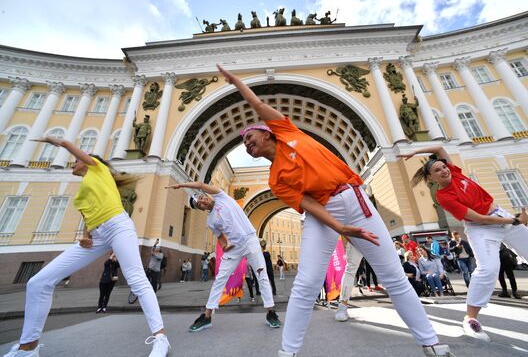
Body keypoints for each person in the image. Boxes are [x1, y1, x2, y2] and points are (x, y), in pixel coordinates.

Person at [217, 64, 453, 357]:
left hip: (356, 201)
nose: (246, 142)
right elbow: (309, 204)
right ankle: (287, 352)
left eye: (249, 136)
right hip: (324, 215)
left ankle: (430, 342)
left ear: (267, 134)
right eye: (243, 143)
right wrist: (339, 228)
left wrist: (236, 81)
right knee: (306, 283)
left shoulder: (287, 131)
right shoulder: (275, 180)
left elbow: (258, 103)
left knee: (392, 275)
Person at [4, 136, 170, 357]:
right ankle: (28, 348)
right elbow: (87, 216)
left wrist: (56, 141)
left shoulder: (97, 169)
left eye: (76, 160)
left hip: (119, 226)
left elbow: (68, 145)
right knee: (38, 282)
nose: (73, 163)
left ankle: (161, 338)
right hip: (98, 235)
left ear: (87, 161)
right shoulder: (81, 193)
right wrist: (84, 236)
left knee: (137, 279)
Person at [400, 145, 528, 342]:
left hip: (502, 216)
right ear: (431, 178)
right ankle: (470, 319)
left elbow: (440, 147)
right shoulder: (444, 197)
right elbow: (480, 218)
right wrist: (514, 220)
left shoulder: (454, 171)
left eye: (443, 167)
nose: (444, 170)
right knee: (488, 269)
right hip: (482, 228)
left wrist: (415, 151)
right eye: (437, 170)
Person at [165, 181, 281, 332]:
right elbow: (220, 238)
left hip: (250, 240)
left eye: (201, 198)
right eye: (200, 204)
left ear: (205, 196)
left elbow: (200, 184)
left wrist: (182, 185)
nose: (202, 201)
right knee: (220, 279)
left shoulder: (222, 197)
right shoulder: (211, 220)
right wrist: (226, 247)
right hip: (235, 248)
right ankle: (207, 316)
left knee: (262, 275)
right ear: (201, 208)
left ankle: (271, 313)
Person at [334, 239, 363, 322]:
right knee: (350, 269)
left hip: (376, 233)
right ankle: (342, 305)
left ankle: (402, 302)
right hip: (357, 235)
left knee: (390, 268)